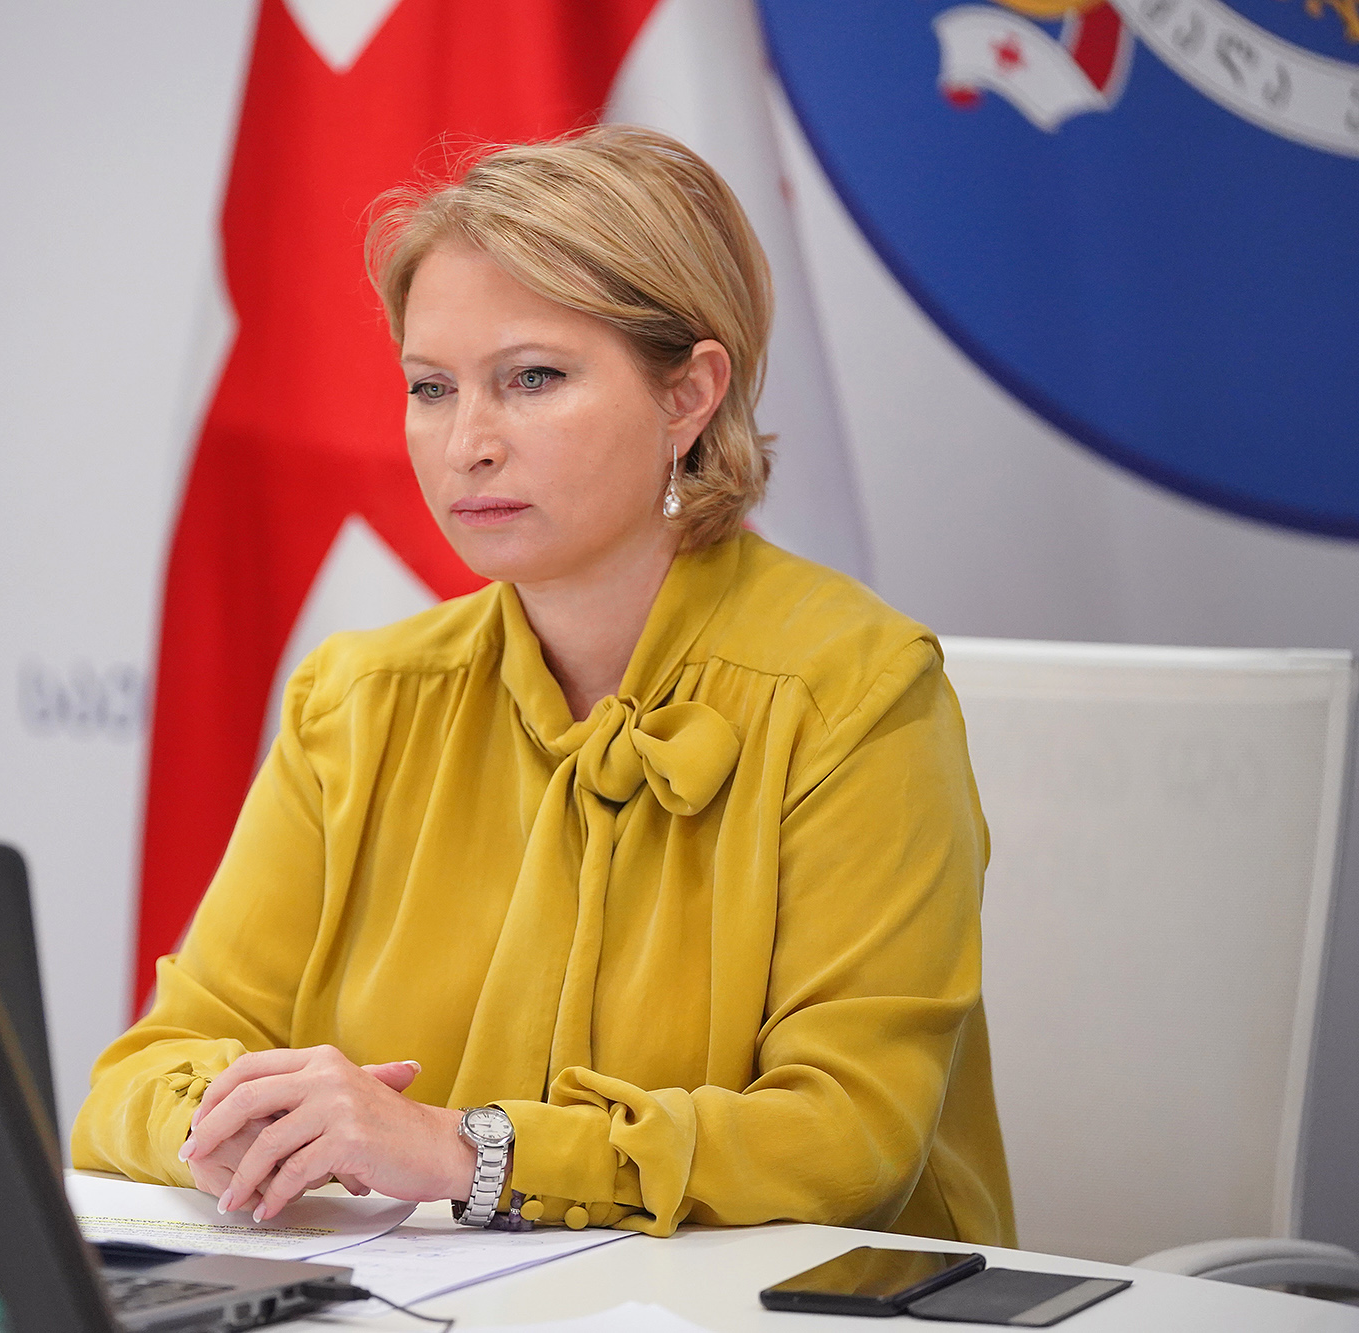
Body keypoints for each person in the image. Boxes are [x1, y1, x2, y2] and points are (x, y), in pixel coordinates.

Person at [71, 124, 1015, 1245]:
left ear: (688, 395)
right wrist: (229, 1126)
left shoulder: (857, 690)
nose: (466, 442)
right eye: (431, 387)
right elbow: (138, 1077)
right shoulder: (356, 700)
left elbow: (850, 1135)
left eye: (532, 378)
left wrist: (462, 1152)